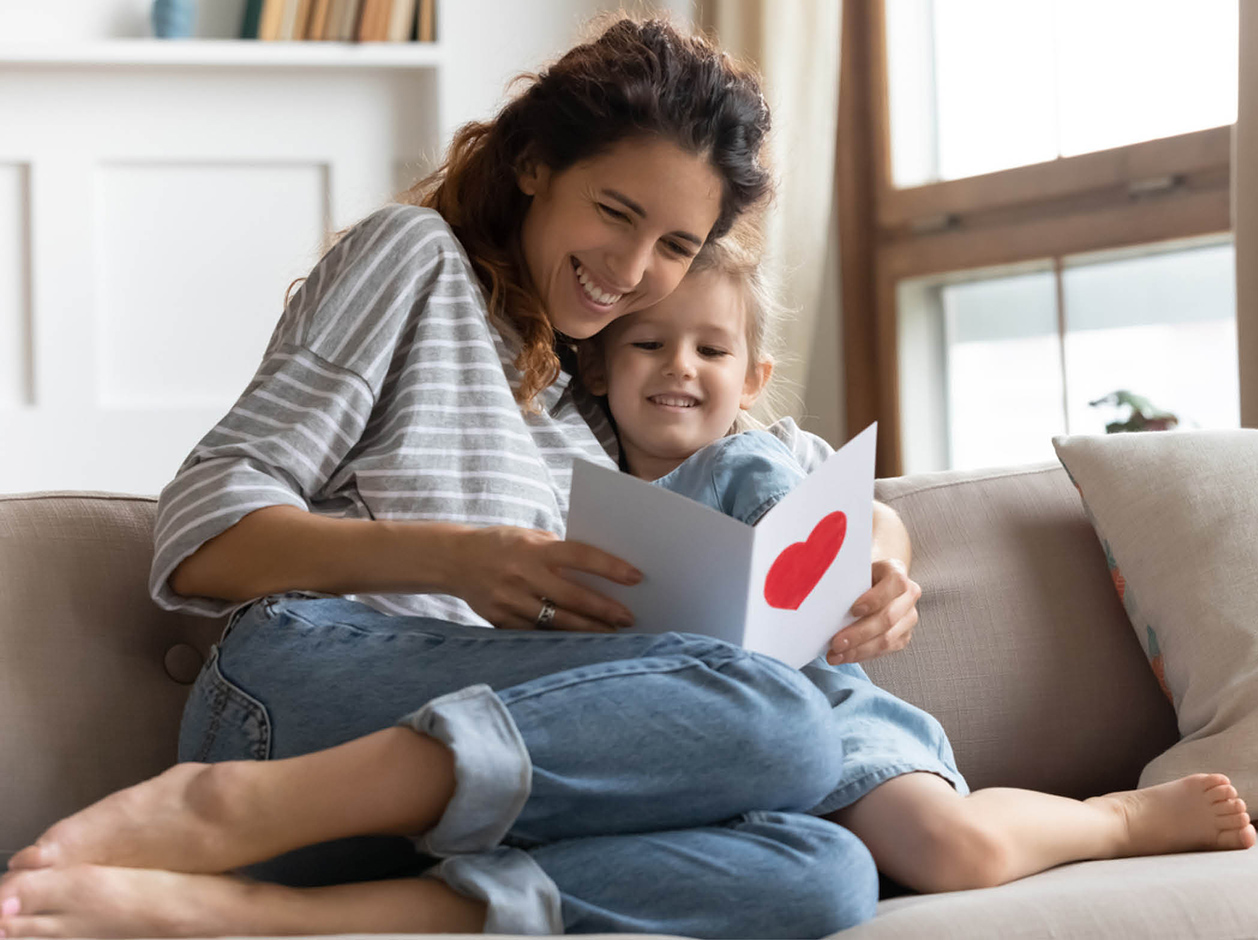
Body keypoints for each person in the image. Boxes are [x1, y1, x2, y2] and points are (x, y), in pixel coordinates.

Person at [0, 18, 892, 940]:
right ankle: (221, 807)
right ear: (535, 163)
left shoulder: (601, 388)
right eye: (617, 213)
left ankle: (262, 913)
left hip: (466, 796)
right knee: (780, 720)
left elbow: (788, 465)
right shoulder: (415, 260)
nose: (632, 272)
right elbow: (201, 532)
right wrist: (463, 559)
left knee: (824, 869)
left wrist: (880, 558)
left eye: (675, 244)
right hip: (305, 695)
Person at [577, 235, 1258, 896]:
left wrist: (881, 564)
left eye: (711, 349)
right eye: (649, 344)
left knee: (954, 850)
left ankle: (1115, 819)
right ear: (600, 366)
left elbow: (879, 518)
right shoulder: (570, 485)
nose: (680, 366)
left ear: (754, 379)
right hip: (685, 744)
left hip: (822, 709)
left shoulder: (771, 454)